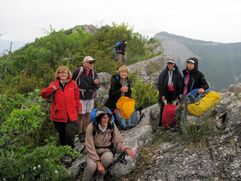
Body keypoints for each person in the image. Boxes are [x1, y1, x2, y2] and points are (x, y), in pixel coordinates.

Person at [82, 107, 136, 181]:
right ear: (99, 118)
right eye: (103, 118)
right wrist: (98, 163)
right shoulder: (91, 127)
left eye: (107, 117)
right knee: (91, 167)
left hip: (106, 150)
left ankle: (100, 177)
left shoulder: (112, 126)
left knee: (107, 159)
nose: (106, 120)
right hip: (93, 151)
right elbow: (90, 147)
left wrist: (125, 149)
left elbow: (117, 142)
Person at [41, 66, 82, 148]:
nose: (63, 74)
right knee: (62, 135)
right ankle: (64, 151)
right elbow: (43, 94)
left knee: (70, 134)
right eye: (61, 72)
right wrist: (52, 89)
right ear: (58, 74)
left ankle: (70, 151)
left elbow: (77, 97)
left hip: (71, 114)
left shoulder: (73, 83)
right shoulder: (54, 84)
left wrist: (79, 107)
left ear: (68, 74)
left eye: (65, 72)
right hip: (58, 115)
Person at [72, 56, 99, 142]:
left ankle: (86, 132)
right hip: (80, 96)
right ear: (84, 63)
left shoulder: (93, 73)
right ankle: (80, 133)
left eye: (93, 62)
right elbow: (72, 83)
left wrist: (96, 83)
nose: (92, 64)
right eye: (90, 62)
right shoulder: (78, 71)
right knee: (80, 115)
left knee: (87, 114)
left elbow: (97, 86)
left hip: (90, 96)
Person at [157, 57, 183, 127]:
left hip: (174, 94)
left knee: (174, 109)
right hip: (165, 93)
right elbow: (159, 84)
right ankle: (162, 123)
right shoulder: (163, 73)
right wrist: (162, 95)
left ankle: (173, 123)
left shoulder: (178, 73)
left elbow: (180, 86)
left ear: (174, 64)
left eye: (171, 63)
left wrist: (178, 97)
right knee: (163, 108)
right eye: (169, 63)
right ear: (167, 64)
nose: (170, 65)